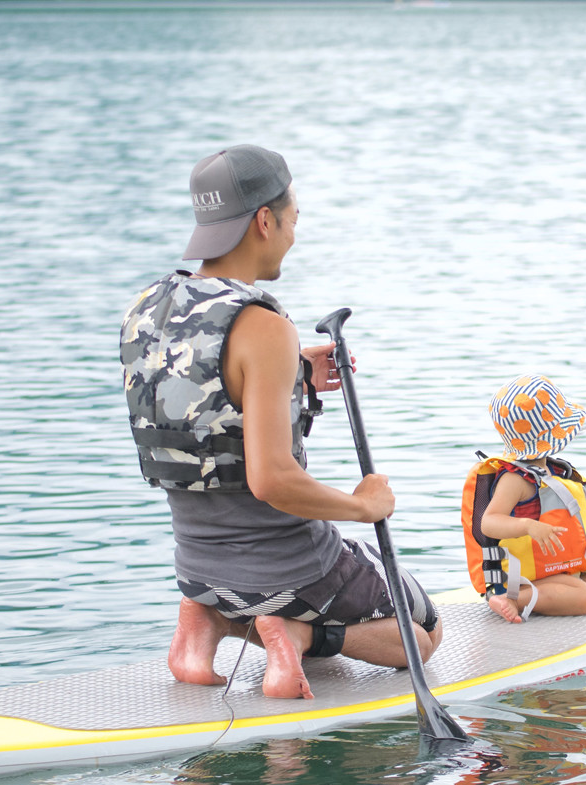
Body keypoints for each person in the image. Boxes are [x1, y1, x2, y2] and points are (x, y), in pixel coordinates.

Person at [121, 144, 442, 700]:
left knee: (234, 591)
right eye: (293, 220)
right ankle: (290, 632)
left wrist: (291, 375)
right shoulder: (262, 325)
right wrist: (362, 505)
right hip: (290, 567)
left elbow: (205, 399)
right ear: (264, 221)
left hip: (198, 565)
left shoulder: (149, 306)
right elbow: (271, 481)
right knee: (425, 632)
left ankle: (207, 621)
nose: (294, 234)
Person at [461, 373, 586, 623]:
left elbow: (583, 529)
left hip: (558, 567)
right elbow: (489, 522)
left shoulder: (555, 472)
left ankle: (546, 592)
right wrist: (527, 526)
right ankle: (512, 599)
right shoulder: (515, 479)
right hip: (525, 576)